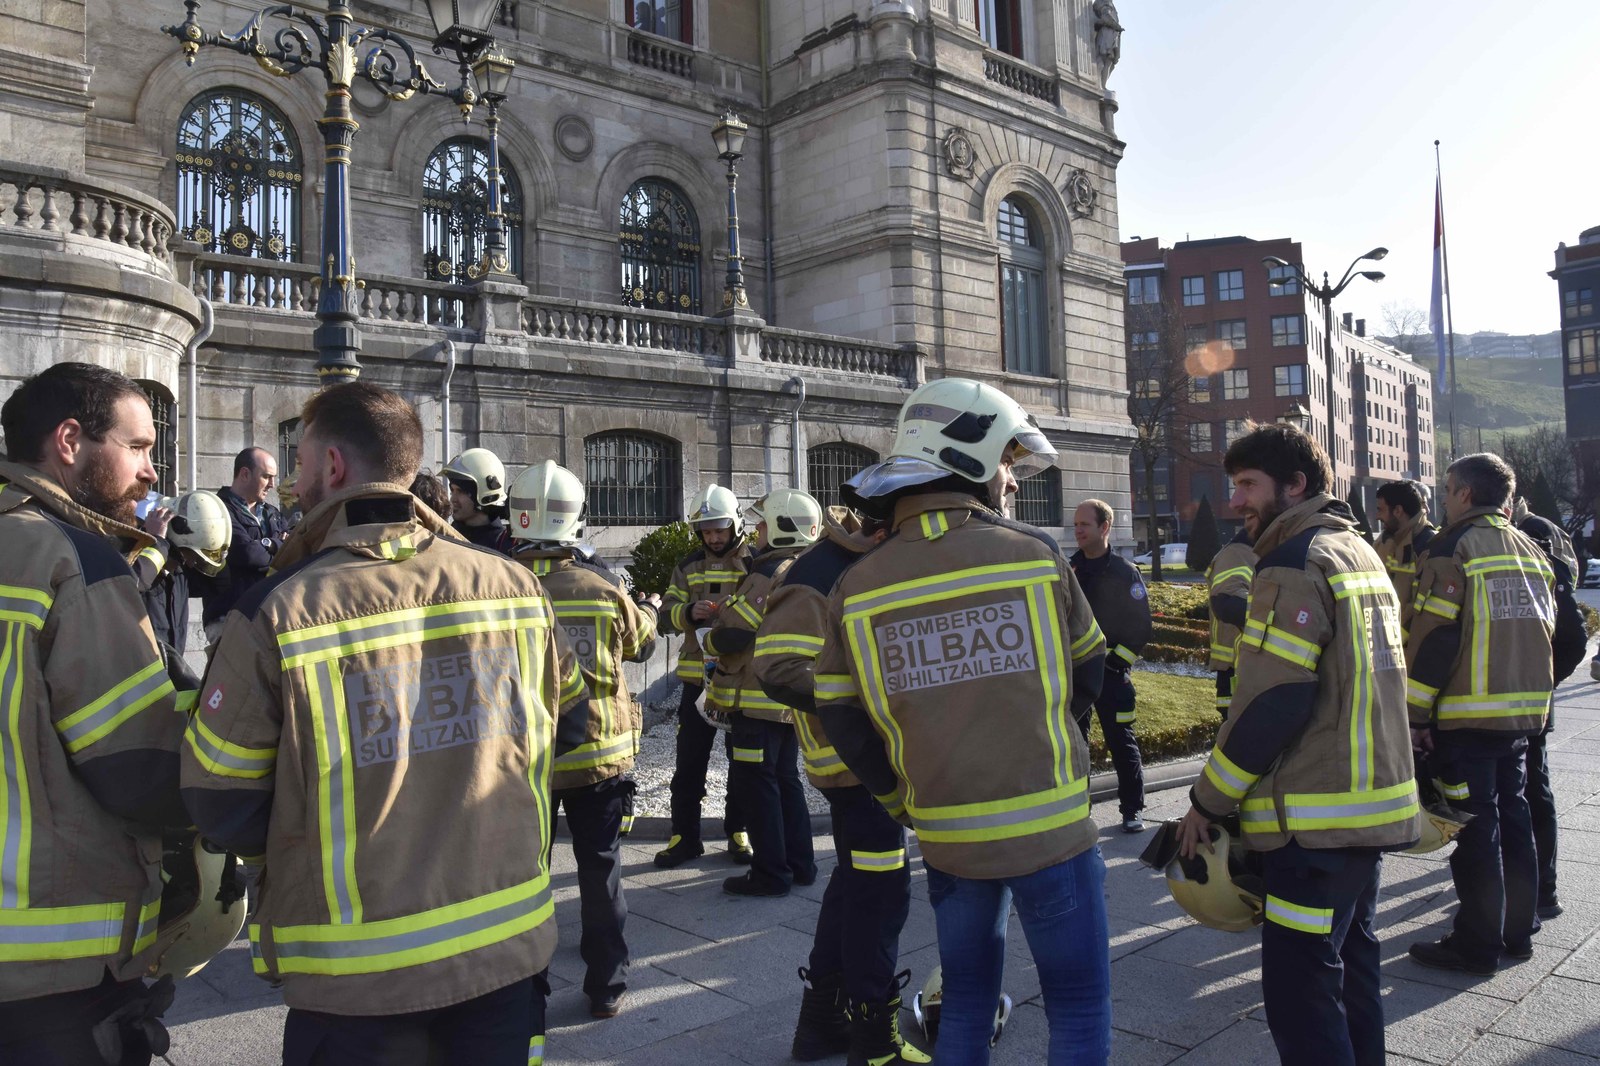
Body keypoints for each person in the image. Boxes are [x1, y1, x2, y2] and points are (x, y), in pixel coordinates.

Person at [182, 384, 570, 1066]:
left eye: (297, 464)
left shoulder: (278, 609)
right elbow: (550, 719)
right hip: (507, 953)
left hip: (356, 979)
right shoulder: (515, 585)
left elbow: (220, 799)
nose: (293, 484)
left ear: (332, 468)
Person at [814, 378, 1111, 1066]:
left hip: (948, 833)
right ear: (972, 458)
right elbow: (1089, 672)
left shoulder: (855, 587)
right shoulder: (1033, 554)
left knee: (968, 1003)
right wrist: (1046, 746)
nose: (1012, 481)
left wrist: (899, 798)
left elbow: (841, 714)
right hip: (1052, 828)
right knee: (1078, 1006)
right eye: (1008, 462)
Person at [1176, 422, 1419, 1066]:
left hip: (1314, 826)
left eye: (1249, 486)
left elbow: (1276, 700)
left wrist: (1207, 802)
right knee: (1351, 972)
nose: (1236, 501)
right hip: (1364, 814)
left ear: (1296, 486)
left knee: (1301, 994)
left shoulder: (1292, 563)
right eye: (1234, 486)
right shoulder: (1356, 550)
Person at [0, 362, 186, 1065]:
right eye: (138, 448)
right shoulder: (76, 560)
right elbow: (135, 765)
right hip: (51, 967)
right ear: (70, 441)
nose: (150, 473)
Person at [754, 505, 929, 1064]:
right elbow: (778, 668)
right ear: (881, 530)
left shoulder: (843, 564)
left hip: (859, 762)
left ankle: (822, 1023)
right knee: (882, 896)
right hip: (855, 766)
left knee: (855, 886)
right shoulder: (818, 572)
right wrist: (862, 701)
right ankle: (875, 1043)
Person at [507, 459, 659, 1020]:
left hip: (531, 760)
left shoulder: (504, 590)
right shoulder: (603, 587)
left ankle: (529, 985)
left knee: (528, 873)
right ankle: (607, 986)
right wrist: (647, 606)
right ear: (576, 521)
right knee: (601, 872)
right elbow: (642, 645)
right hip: (600, 756)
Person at [1404, 453, 1555, 976]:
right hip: (1523, 717)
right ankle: (1518, 933)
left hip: (1467, 720)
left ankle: (1476, 943)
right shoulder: (1532, 547)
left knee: (1474, 830)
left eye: (1446, 490)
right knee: (1515, 821)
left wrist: (1416, 715)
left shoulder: (1452, 546)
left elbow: (1437, 636)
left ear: (1465, 494)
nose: (1443, 500)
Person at [707, 489, 824, 898]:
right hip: (787, 702)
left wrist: (714, 634)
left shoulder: (767, 572)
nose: (755, 531)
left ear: (779, 527)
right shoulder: (806, 570)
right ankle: (801, 864)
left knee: (758, 787)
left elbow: (735, 631)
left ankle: (771, 873)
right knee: (785, 780)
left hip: (754, 707)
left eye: (761, 523)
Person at [654, 484, 753, 868]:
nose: (712, 538)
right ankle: (684, 837)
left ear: (735, 526)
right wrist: (687, 612)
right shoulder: (687, 566)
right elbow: (665, 615)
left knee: (741, 761)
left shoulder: (753, 564)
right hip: (696, 684)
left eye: (719, 529)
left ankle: (739, 831)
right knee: (689, 762)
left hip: (736, 679)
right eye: (706, 531)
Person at [1508, 497, 1587, 922]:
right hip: (1517, 700)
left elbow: (1572, 638)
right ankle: (1526, 892)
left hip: (1528, 702)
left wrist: (1544, 679)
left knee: (1531, 795)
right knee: (1523, 794)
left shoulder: (1537, 552)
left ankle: (1541, 893)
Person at [1070, 499, 1152, 832]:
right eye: (1075, 525)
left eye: (1084, 525)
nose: (1077, 530)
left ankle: (1132, 810)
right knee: (1076, 747)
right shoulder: (1068, 569)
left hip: (1112, 679)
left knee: (1121, 742)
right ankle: (1078, 813)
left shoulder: (1124, 572)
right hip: (1076, 678)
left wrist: (1117, 664)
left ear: (1104, 527)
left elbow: (1141, 627)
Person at [199, 446, 290, 636]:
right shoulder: (217, 511)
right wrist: (277, 544)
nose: (272, 484)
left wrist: (268, 545)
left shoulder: (272, 513)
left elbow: (293, 552)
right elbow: (248, 554)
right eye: (266, 476)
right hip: (229, 616)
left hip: (270, 616)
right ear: (245, 474)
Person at [1206, 528, 1255, 719]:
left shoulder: (1251, 553)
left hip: (1246, 665)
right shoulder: (1237, 555)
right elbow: (1228, 602)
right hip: (1236, 666)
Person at [1374, 479, 1436, 621]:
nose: (1377, 516)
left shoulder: (1429, 545)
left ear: (1398, 511)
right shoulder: (1384, 541)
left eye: (1380, 510)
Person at [441, 447, 513, 553]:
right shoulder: (445, 538)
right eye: (452, 490)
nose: (453, 499)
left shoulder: (506, 547)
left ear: (485, 493)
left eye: (461, 491)